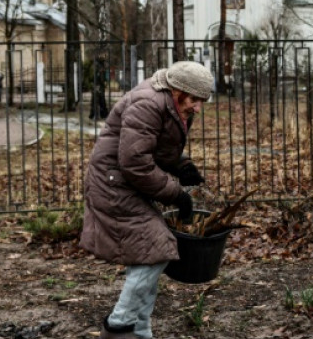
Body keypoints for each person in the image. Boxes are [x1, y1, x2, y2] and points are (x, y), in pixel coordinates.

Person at [80, 60, 213, 339]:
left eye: (203, 101)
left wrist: (181, 165)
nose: (198, 107)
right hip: (113, 185)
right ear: (178, 90)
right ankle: (119, 326)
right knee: (156, 248)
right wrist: (176, 193)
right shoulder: (148, 104)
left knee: (148, 255)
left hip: (125, 182)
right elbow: (135, 162)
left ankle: (140, 332)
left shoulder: (169, 103)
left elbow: (152, 145)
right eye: (195, 100)